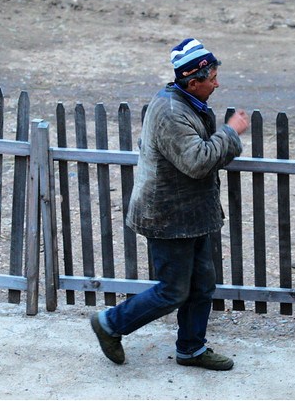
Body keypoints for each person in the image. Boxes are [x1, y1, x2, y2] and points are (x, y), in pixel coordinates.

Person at [90, 38, 249, 371]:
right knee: (173, 292)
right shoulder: (172, 112)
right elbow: (198, 161)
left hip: (191, 215)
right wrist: (231, 133)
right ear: (193, 82)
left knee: (202, 286)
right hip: (168, 217)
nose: (217, 84)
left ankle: (191, 349)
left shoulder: (187, 102)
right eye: (212, 78)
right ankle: (110, 324)